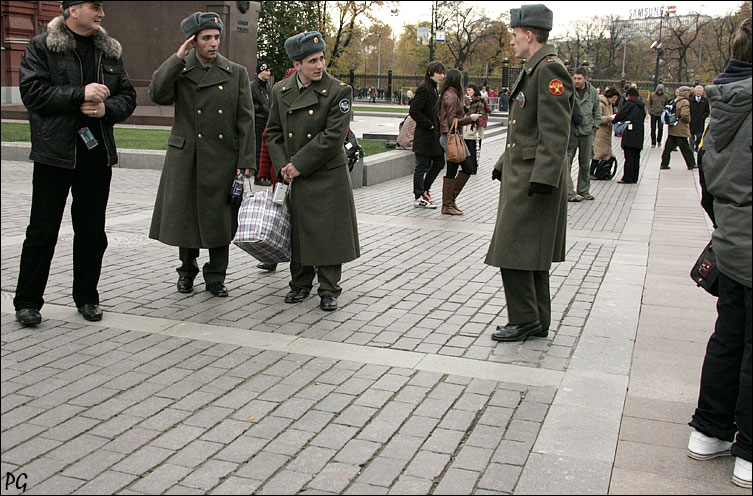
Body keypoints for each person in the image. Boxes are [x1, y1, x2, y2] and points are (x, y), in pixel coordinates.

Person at [13, 0, 136, 326]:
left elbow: (128, 96)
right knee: (42, 230)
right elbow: (33, 93)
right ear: (73, 9)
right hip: (54, 154)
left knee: (92, 232)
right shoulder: (41, 46)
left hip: (96, 156)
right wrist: (80, 94)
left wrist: (106, 110)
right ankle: (27, 301)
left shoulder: (109, 50)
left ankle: (87, 297)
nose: (102, 13)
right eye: (95, 6)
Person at [149, 12, 256, 298]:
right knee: (188, 218)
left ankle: (216, 277)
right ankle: (186, 272)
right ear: (193, 42)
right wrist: (177, 58)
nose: (213, 43)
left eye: (216, 37)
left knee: (221, 220)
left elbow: (246, 120)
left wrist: (247, 162)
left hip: (223, 158)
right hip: (189, 158)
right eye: (206, 38)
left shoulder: (236, 73)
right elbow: (157, 93)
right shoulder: (182, 71)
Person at [688, 16, 752, 489]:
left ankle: (709, 430)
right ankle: (748, 450)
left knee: (729, 335)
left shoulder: (722, 105)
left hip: (731, 236)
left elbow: (708, 181)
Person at [486, 4, 573, 342]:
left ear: (529, 34)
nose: (511, 40)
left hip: (534, 178)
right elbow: (522, 130)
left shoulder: (549, 70)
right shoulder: (535, 68)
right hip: (523, 172)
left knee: (515, 249)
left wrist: (544, 177)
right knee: (528, 251)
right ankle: (536, 319)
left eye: (514, 34)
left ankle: (524, 320)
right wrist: (501, 165)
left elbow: (555, 130)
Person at [266, 31, 360, 312]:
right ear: (297, 64)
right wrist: (283, 164)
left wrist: (298, 165)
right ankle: (300, 284)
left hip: (327, 173)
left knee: (330, 232)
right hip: (295, 173)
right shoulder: (281, 91)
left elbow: (333, 136)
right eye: (312, 61)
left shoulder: (338, 91)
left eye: (321, 59)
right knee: (300, 231)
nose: (319, 65)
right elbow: (273, 132)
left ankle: (329, 288)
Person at [437, 68, 481, 215]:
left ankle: (449, 202)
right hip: (451, 137)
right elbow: (451, 121)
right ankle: (448, 203)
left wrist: (465, 106)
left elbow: (454, 115)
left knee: (455, 168)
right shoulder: (452, 95)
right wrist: (471, 118)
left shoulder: (450, 94)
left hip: (451, 136)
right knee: (465, 167)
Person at [409, 60, 446, 209]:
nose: (441, 76)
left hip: (432, 135)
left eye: (443, 73)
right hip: (425, 136)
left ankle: (424, 190)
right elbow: (414, 111)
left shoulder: (433, 88)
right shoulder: (424, 88)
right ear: (430, 72)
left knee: (439, 162)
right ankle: (419, 196)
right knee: (422, 166)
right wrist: (429, 124)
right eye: (438, 73)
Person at [570, 67, 600, 201]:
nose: (576, 81)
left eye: (579, 78)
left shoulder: (592, 92)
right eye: (575, 78)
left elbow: (597, 111)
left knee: (585, 163)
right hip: (573, 131)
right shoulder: (569, 90)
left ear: (585, 78)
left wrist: (595, 127)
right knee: (567, 162)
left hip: (587, 132)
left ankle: (583, 190)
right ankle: (568, 190)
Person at [614, 87, 645, 184]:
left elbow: (620, 115)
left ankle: (627, 177)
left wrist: (614, 120)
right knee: (636, 156)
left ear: (628, 96)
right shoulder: (641, 106)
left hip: (630, 132)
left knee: (629, 156)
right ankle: (634, 177)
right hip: (639, 132)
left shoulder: (629, 104)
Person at [660, 85, 696, 170]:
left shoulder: (674, 100)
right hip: (680, 128)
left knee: (668, 148)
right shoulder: (685, 102)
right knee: (685, 147)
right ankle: (691, 164)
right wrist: (688, 120)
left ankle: (664, 163)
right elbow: (684, 115)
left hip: (673, 127)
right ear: (686, 93)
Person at [250, 60, 273, 186]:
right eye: (266, 70)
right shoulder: (253, 87)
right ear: (260, 71)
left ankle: (264, 175)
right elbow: (250, 104)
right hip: (258, 121)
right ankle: (258, 176)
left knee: (265, 148)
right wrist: (261, 108)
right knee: (258, 148)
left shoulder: (268, 87)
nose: (269, 73)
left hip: (266, 121)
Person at [463, 84, 492, 177]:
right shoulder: (466, 101)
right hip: (467, 126)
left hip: (475, 127)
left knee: (473, 149)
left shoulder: (479, 101)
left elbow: (481, 114)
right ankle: (467, 167)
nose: (468, 92)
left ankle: (473, 168)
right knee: (466, 147)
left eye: (470, 90)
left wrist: (473, 119)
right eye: (467, 90)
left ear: (475, 91)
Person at [591, 85, 619, 177]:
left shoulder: (609, 105)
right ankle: (591, 172)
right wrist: (609, 118)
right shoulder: (601, 104)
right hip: (600, 133)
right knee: (598, 154)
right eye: (614, 98)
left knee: (606, 153)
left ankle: (602, 172)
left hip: (606, 132)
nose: (614, 101)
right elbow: (597, 118)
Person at [566, 99, 585, 202]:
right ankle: (569, 192)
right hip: (568, 137)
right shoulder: (570, 99)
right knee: (566, 166)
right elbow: (579, 118)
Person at [689, 84, 710, 152]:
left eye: (700, 91)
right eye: (697, 91)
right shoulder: (690, 100)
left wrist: (703, 117)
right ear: (695, 92)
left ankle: (696, 145)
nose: (698, 92)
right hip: (692, 120)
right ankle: (691, 148)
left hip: (700, 121)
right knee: (691, 135)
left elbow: (707, 111)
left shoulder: (705, 100)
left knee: (699, 136)